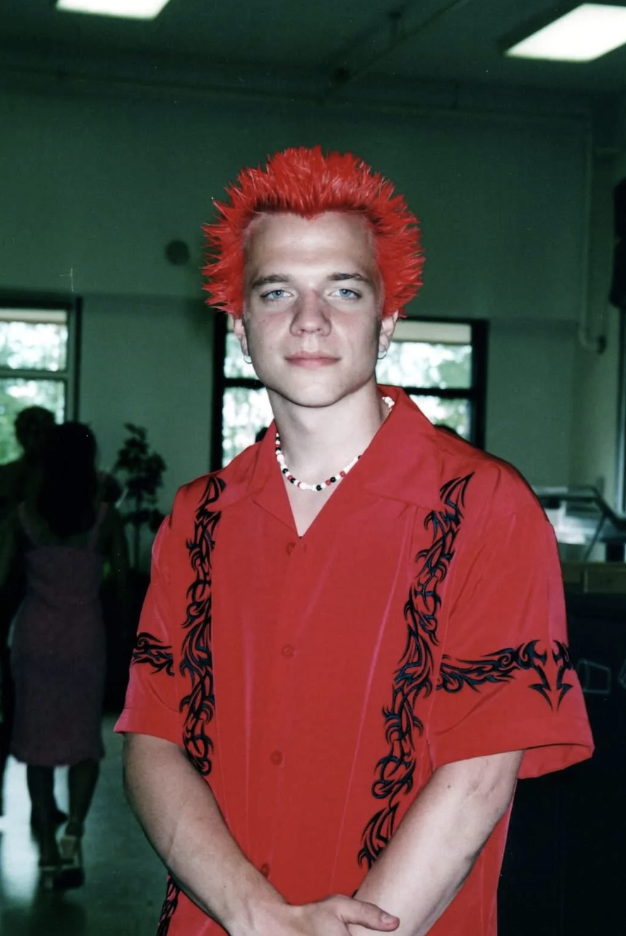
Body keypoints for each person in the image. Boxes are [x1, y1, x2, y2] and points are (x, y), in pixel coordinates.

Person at [117, 147, 593, 936]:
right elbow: (151, 740)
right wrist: (256, 915)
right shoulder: (196, 520)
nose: (310, 322)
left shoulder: (483, 509)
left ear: (389, 315)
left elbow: (480, 775)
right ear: (240, 325)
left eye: (344, 289)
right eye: (277, 293)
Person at [0, 421, 129, 888]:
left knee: (35, 746)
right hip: (84, 640)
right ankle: (73, 831)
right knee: (83, 744)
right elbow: (122, 583)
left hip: (34, 641)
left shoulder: (24, 518)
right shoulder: (104, 518)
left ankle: (49, 853)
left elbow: (0, 580)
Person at [0, 405, 55, 817]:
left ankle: (43, 798)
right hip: (10, 589)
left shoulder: (59, 482)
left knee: (39, 703)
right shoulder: (8, 476)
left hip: (41, 594)